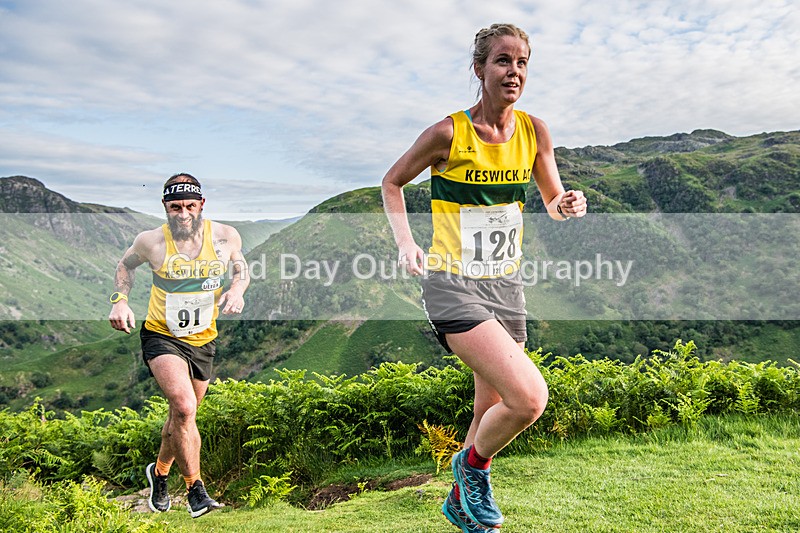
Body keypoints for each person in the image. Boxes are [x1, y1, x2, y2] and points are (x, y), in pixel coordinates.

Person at [381, 23, 587, 531]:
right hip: (452, 283)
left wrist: (568, 205)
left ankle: (461, 505)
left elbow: (551, 202)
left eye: (521, 63)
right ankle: (471, 467)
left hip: (506, 284)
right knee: (529, 399)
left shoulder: (535, 132)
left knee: (488, 407)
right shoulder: (448, 133)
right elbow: (391, 182)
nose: (513, 72)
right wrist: (407, 244)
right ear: (479, 69)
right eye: (502, 61)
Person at [108, 173, 249, 518]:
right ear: (165, 207)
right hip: (162, 334)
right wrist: (119, 300)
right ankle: (195, 491)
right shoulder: (151, 242)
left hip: (203, 339)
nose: (183, 213)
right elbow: (125, 266)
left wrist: (236, 290)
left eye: (189, 205)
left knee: (182, 417)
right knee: (185, 408)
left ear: (201, 205)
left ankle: (158, 473)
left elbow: (240, 268)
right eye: (175, 207)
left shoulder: (225, 236)